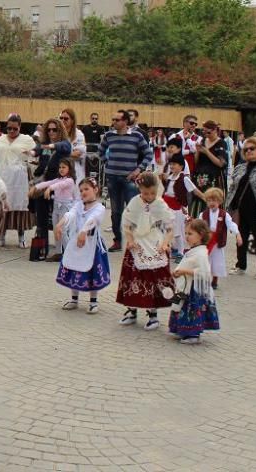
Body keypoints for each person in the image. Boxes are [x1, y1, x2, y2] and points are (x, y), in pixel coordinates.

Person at [117, 172, 175, 331]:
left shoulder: (160, 204)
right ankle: (132, 310)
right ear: (140, 190)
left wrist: (165, 243)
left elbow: (170, 228)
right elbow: (127, 225)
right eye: (145, 193)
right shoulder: (134, 203)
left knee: (154, 278)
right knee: (133, 278)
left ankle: (153, 314)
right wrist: (129, 240)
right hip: (137, 244)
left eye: (152, 193)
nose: (149, 196)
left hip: (155, 242)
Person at [54, 178, 110, 314]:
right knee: (74, 268)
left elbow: (93, 219)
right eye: (81, 190)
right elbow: (70, 214)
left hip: (92, 245)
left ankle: (93, 301)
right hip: (77, 242)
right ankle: (74, 299)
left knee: (92, 273)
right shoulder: (78, 205)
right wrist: (60, 224)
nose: (83, 192)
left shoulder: (100, 207)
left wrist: (84, 231)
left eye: (86, 189)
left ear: (95, 190)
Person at [101, 110, 153, 252]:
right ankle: (118, 240)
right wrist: (107, 163)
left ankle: (134, 240)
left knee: (133, 210)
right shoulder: (108, 135)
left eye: (117, 120)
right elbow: (101, 151)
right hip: (112, 178)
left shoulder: (136, 136)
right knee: (115, 212)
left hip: (129, 179)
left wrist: (138, 170)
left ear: (125, 121)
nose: (114, 123)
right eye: (113, 120)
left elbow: (149, 154)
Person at [168, 219, 220, 345]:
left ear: (201, 235)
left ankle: (193, 333)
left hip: (195, 289)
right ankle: (181, 329)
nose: (186, 237)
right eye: (185, 233)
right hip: (186, 286)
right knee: (182, 308)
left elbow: (204, 273)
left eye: (190, 234)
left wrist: (184, 271)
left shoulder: (201, 253)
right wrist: (177, 271)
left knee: (192, 310)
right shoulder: (192, 250)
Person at [0, 114, 37, 248]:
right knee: (2, 207)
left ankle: (21, 237)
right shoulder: (0, 139)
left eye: (14, 129)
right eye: (9, 128)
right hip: (2, 178)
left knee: (20, 207)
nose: (11, 131)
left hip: (19, 180)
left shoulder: (26, 139)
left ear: (19, 127)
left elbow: (35, 157)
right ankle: (1, 236)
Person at [161, 152, 204, 261]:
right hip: (167, 207)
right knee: (168, 229)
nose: (172, 166)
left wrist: (205, 197)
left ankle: (181, 252)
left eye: (174, 164)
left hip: (177, 208)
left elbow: (194, 190)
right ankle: (174, 249)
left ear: (181, 166)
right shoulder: (170, 177)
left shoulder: (184, 178)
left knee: (178, 231)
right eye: (171, 164)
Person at [33, 159, 78, 257]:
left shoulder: (70, 181)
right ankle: (58, 253)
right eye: (60, 167)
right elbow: (48, 183)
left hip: (65, 207)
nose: (61, 169)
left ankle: (68, 254)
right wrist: (36, 187)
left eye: (64, 167)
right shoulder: (59, 179)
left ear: (69, 169)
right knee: (56, 230)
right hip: (56, 207)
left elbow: (58, 185)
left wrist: (50, 189)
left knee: (63, 231)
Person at [199, 188, 242, 290]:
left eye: (214, 200)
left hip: (218, 242)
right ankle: (204, 279)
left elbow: (231, 224)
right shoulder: (203, 214)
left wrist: (238, 234)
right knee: (205, 261)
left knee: (217, 262)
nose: (211, 203)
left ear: (219, 201)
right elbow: (198, 226)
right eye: (209, 201)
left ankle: (215, 280)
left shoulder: (224, 214)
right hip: (206, 241)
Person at [187, 121, 229, 217]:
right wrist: (197, 152)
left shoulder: (221, 143)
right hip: (200, 178)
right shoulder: (203, 141)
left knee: (212, 201)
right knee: (197, 204)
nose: (206, 135)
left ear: (215, 131)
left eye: (208, 132)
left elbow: (221, 163)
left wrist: (207, 152)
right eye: (204, 132)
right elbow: (197, 162)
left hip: (214, 179)